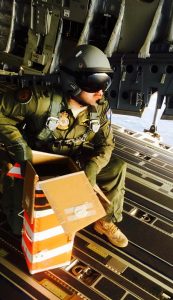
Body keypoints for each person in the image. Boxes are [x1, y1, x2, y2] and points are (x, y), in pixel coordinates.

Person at [0, 44, 128, 247]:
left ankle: (104, 221)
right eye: (95, 82)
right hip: (35, 162)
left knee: (117, 168)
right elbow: (2, 114)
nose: (101, 92)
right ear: (73, 83)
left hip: (72, 161)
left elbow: (107, 144)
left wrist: (93, 167)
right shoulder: (40, 101)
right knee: (18, 228)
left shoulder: (98, 109)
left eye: (106, 83)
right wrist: (19, 148)